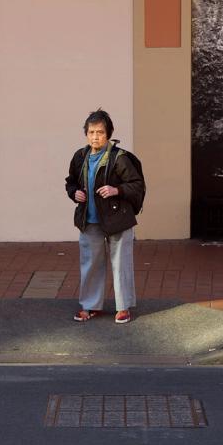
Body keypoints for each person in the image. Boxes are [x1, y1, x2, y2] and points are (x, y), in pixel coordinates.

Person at [64, 109, 145, 324]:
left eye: (100, 132)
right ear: (86, 134)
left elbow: (136, 185)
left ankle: (123, 307)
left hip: (118, 220)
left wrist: (116, 190)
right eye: (91, 132)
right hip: (89, 221)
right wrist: (74, 193)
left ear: (108, 134)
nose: (95, 137)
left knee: (121, 264)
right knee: (90, 263)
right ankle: (91, 306)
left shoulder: (120, 158)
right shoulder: (80, 157)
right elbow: (70, 182)